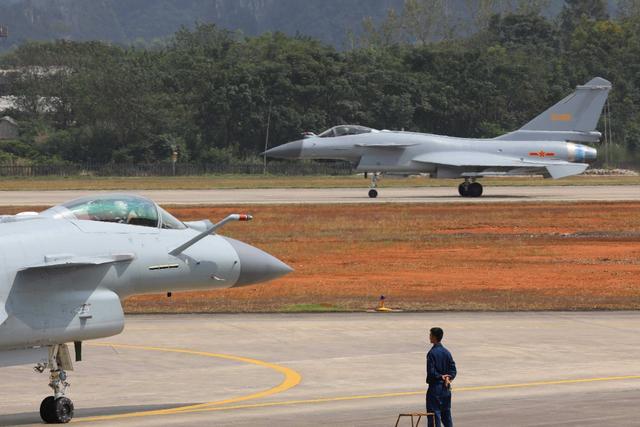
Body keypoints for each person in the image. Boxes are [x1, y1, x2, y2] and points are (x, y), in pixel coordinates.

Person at [426, 327, 457, 427]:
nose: (429, 337)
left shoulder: (431, 353)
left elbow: (431, 372)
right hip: (446, 389)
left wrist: (440, 376)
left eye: (430, 335)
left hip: (435, 389)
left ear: (434, 337)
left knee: (434, 417)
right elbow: (453, 370)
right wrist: (449, 377)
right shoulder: (447, 352)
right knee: (446, 415)